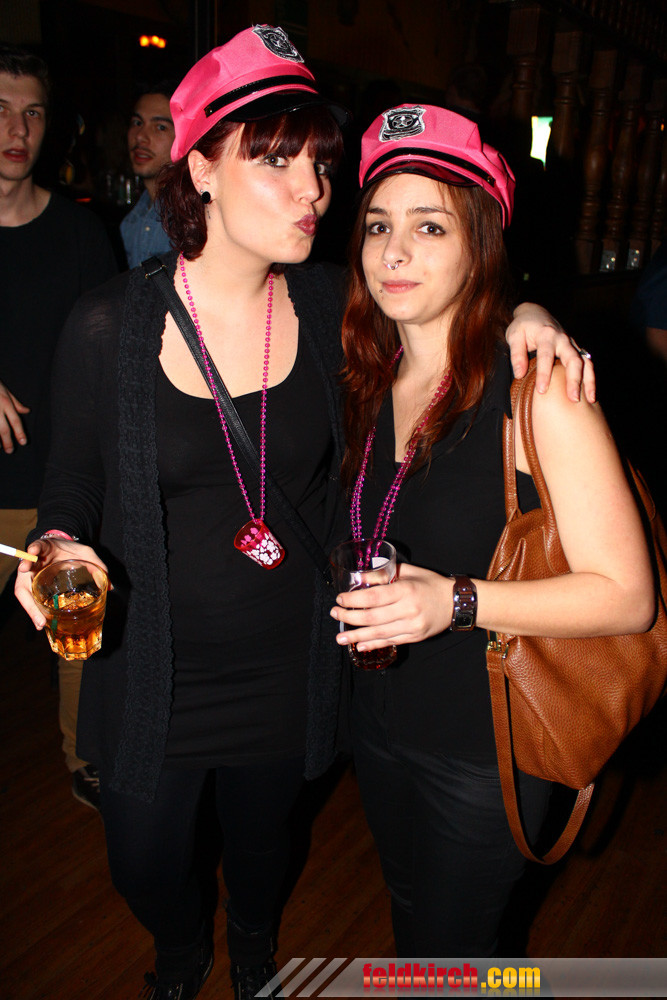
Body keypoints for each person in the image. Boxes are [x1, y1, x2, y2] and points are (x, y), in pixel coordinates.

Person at [14, 28, 593, 1000]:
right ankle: (182, 948)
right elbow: (70, 481)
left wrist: (526, 317)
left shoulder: (333, 305)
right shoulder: (110, 323)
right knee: (142, 859)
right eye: (276, 162)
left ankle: (249, 945)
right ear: (201, 167)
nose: (313, 192)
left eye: (320, 165)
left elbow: (452, 302)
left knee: (266, 842)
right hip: (154, 664)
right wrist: (57, 543)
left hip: (290, 662)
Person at [330, 104, 654, 958]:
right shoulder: (369, 376)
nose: (393, 252)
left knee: (454, 953)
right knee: (410, 919)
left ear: (478, 247)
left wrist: (457, 603)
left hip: (486, 748)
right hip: (379, 720)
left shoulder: (537, 391)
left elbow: (626, 597)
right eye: (377, 225)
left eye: (429, 226)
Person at [0, 44, 117, 810]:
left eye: (33, 112)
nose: (18, 129)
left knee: (76, 633)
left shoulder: (79, 234)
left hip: (60, 486)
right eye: (1, 110)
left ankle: (85, 759)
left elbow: (113, 358)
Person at [120, 82, 175, 268]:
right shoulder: (132, 222)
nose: (140, 137)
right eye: (137, 123)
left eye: (160, 127)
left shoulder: (194, 220)